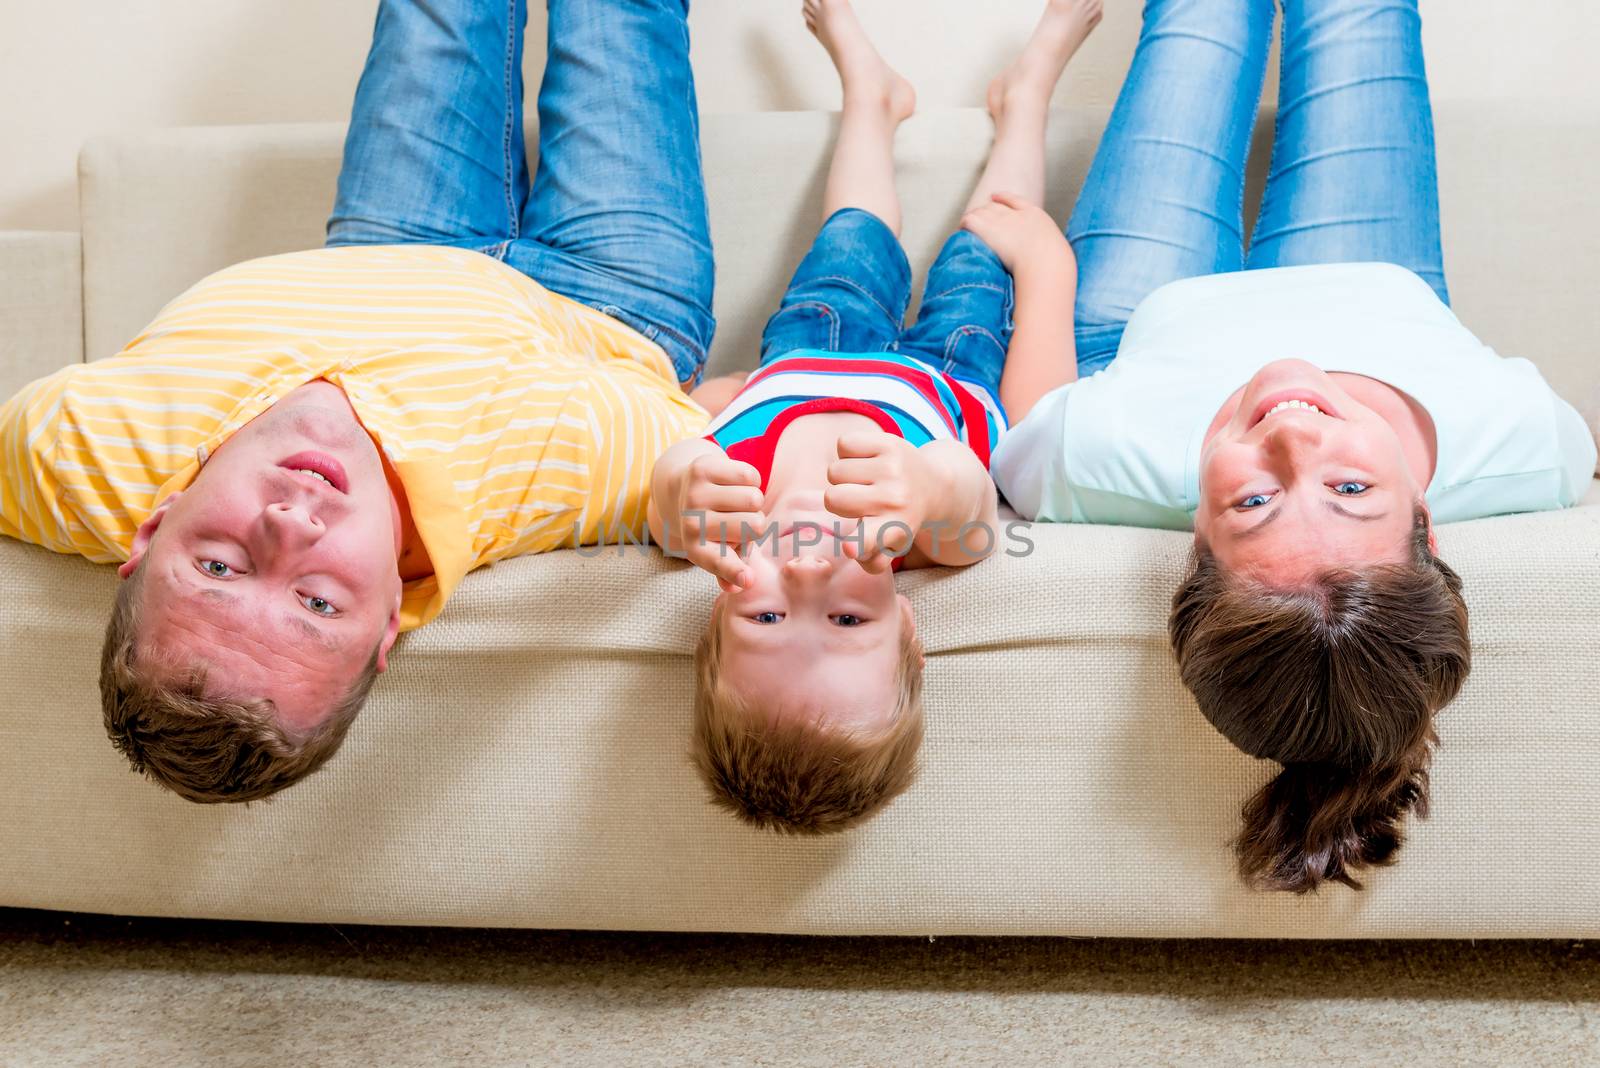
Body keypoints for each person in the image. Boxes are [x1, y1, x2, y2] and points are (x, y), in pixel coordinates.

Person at [0, 0, 741, 803]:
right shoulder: (544, 476)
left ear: (146, 533)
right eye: (318, 600)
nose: (289, 526)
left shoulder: (78, 456)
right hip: (612, 293)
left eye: (218, 564)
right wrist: (685, 485)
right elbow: (675, 451)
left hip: (394, 235)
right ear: (393, 617)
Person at [988, 0, 1597, 891]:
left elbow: (1032, 418)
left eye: (1253, 502)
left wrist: (1046, 269)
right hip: (1370, 276)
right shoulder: (1534, 447)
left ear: (1193, 539)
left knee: (1201, 19)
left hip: (1151, 314)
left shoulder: (1106, 463)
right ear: (1427, 520)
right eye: (1351, 490)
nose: (1294, 434)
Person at [649, 0, 1100, 833]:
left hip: (811, 353)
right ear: (908, 630)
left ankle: (870, 95)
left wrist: (672, 477)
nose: (809, 583)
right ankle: (1026, 95)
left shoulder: (717, 523)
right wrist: (926, 484)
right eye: (849, 619)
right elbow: (972, 507)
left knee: (853, 228)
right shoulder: (927, 545)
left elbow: (676, 440)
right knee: (995, 232)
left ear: (718, 609)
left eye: (767, 617)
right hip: (951, 371)